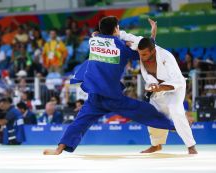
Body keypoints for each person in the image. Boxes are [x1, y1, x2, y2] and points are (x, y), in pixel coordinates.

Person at [43, 16, 175, 155]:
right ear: (116, 29)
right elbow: (144, 52)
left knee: (80, 122)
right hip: (113, 97)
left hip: (94, 96)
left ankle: (59, 149)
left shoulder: (93, 41)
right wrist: (152, 34)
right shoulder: (122, 48)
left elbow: (96, 35)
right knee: (143, 110)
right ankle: (173, 126)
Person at [136, 37, 197, 154]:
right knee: (152, 112)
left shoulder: (167, 57)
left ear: (153, 51)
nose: (141, 57)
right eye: (140, 54)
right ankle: (156, 145)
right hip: (158, 90)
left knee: (175, 110)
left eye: (144, 54)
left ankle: (191, 146)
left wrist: (161, 87)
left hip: (174, 88)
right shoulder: (145, 51)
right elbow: (130, 38)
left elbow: (177, 80)